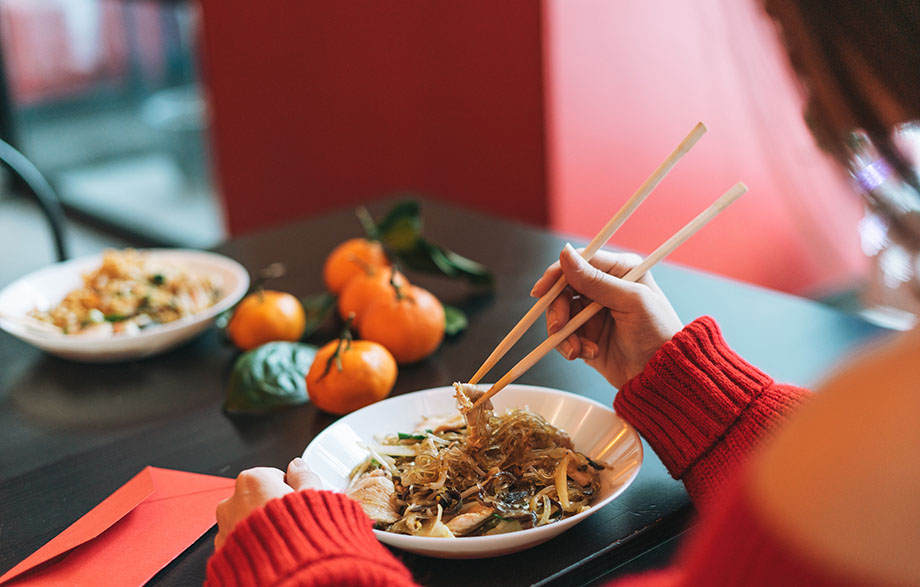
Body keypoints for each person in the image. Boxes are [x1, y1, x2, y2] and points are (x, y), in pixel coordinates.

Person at [205, 0, 920, 585]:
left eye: (790, 41)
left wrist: (305, 565)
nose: (808, 107)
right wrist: (711, 407)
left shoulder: (882, 432)